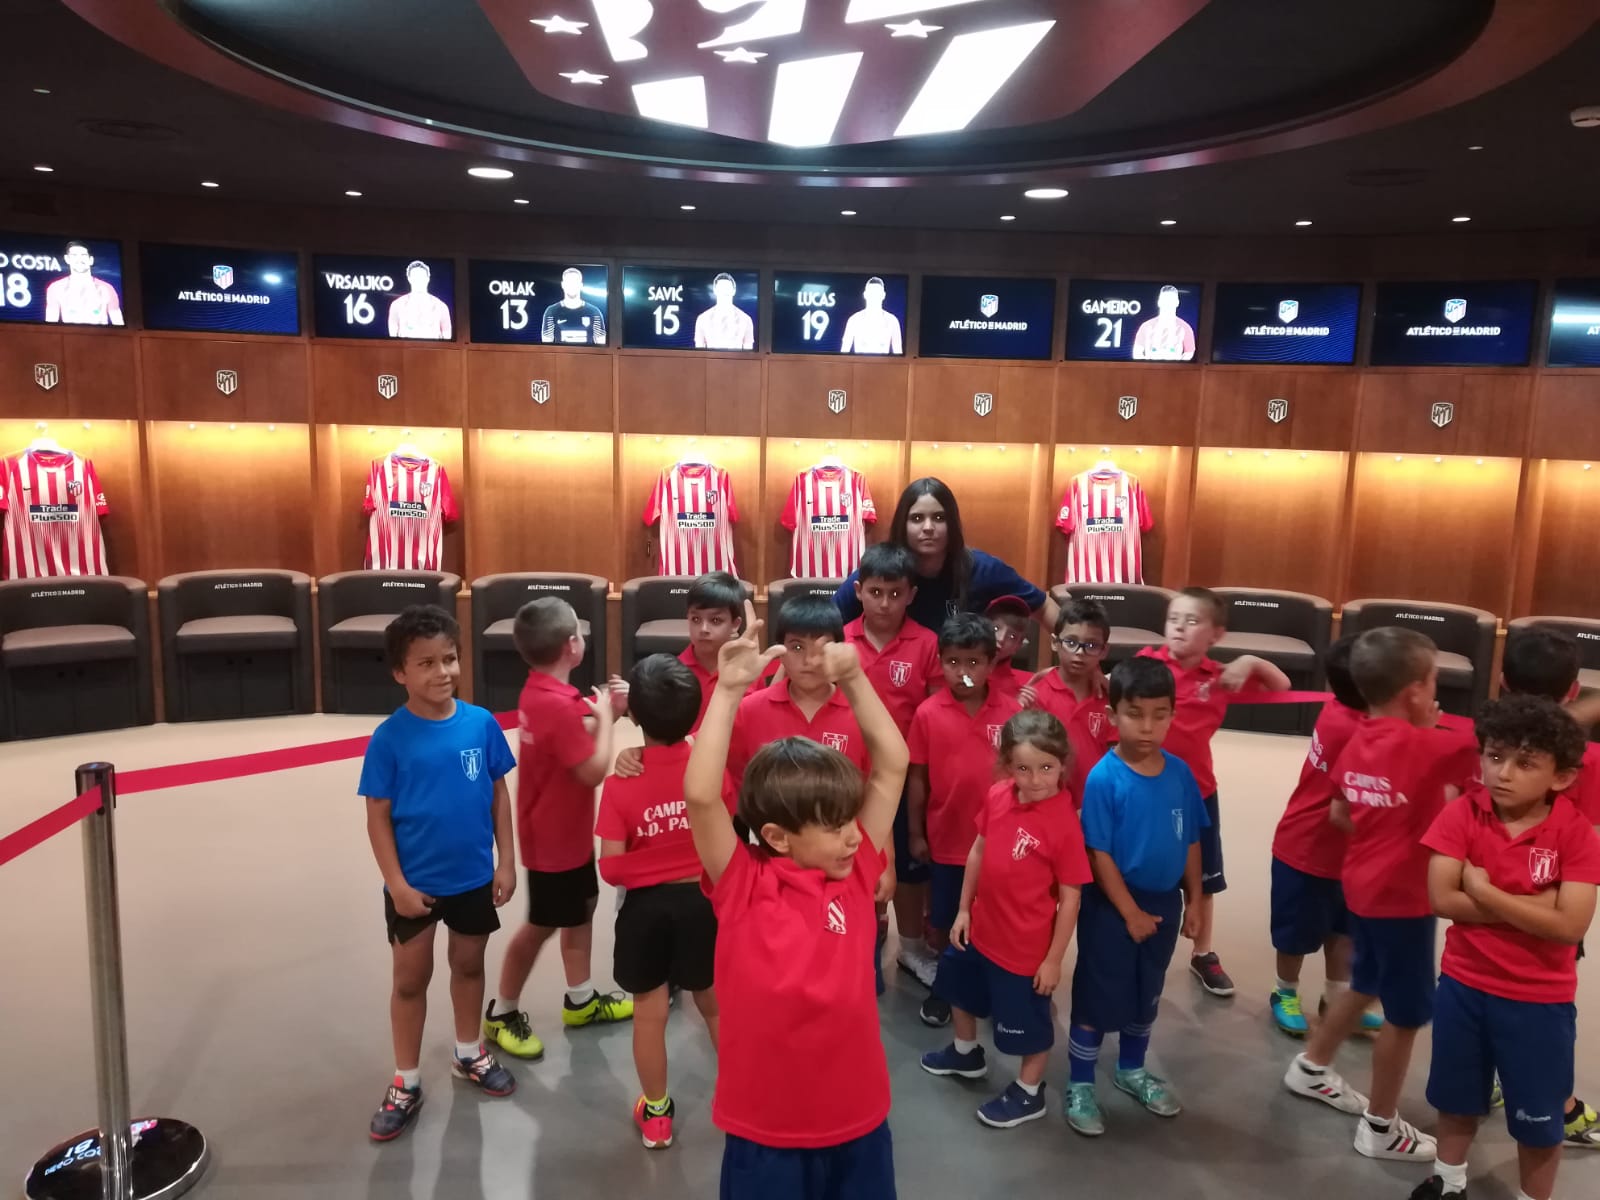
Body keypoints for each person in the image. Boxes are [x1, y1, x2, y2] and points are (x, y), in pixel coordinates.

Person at [684, 600, 908, 1198]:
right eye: (834, 826)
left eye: (852, 819)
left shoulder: (854, 872)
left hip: (857, 1119)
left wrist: (854, 677)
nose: (855, 835)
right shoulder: (742, 882)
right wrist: (728, 691)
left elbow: (892, 765)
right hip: (766, 1128)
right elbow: (702, 796)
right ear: (778, 836)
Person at [1283, 626, 1480, 1165]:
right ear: (1416, 691)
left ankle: (1311, 1065)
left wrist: (1388, 830)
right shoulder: (1430, 745)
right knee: (1407, 1013)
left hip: (1362, 886)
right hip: (1402, 901)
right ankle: (1381, 1126)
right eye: (1433, 679)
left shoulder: (1358, 737)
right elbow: (1519, 738)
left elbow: (1339, 812)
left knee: (1365, 981)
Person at [1413, 695, 1600, 1200]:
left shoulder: (1576, 834)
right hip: (1463, 987)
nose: (1504, 773)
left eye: (1526, 763)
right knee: (1456, 1099)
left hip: (1539, 1001)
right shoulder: (1461, 814)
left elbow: (1570, 926)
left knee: (1539, 1118)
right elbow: (1441, 898)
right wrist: (1536, 907)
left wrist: (1483, 890)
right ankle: (1448, 1182)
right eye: (1494, 756)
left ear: (1562, 777)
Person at [359, 604, 518, 1141]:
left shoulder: (481, 724)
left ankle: (469, 1052)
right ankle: (405, 1081)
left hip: (473, 877)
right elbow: (377, 815)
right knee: (410, 980)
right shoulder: (389, 739)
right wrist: (398, 885)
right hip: (415, 885)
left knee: (468, 966)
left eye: (449, 658)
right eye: (425, 663)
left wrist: (506, 860)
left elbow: (498, 794)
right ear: (399, 673)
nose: (442, 672)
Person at [920, 710, 1092, 1128]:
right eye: (1023, 769)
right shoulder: (998, 794)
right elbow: (978, 850)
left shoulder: (1065, 825)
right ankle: (966, 1053)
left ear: (1063, 765)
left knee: (1029, 1026)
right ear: (1007, 766)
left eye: (1046, 768)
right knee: (958, 989)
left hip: (1023, 950)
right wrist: (964, 909)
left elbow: (1071, 898)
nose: (1035, 780)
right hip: (980, 930)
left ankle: (1030, 1092)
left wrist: (1053, 960)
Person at [484, 598, 633, 1065]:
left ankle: (581, 999)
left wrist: (605, 713)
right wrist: (607, 720)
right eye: (581, 634)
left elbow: (570, 736)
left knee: (581, 910)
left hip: (565, 832)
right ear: (572, 646)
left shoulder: (541, 692)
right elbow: (592, 770)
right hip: (553, 842)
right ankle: (502, 1011)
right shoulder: (558, 706)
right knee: (541, 925)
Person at [1065, 656, 1205, 1137]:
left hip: (1165, 905)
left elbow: (1192, 839)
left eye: (1159, 715)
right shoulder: (1104, 778)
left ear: (1172, 715)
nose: (1147, 727)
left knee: (1148, 991)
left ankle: (1131, 1068)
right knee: (1097, 994)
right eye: (1134, 714)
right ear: (1112, 715)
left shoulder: (1181, 774)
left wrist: (1196, 901)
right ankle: (1080, 1082)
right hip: (1113, 908)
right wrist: (1130, 913)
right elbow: (1098, 853)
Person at [595, 655, 721, 1151]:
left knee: (649, 1010)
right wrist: (687, 861)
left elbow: (611, 869)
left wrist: (652, 865)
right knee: (715, 1003)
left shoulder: (621, 783)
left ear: (634, 715)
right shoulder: (711, 771)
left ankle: (657, 1114)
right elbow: (728, 840)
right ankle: (743, 1094)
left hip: (645, 911)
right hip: (705, 904)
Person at [1138, 587, 1289, 997]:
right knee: (1143, 867)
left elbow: (1282, 685)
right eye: (1173, 619)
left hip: (1197, 791)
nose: (1179, 628)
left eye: (1192, 621)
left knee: (1203, 878)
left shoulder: (1220, 676)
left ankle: (1203, 952)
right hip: (1145, 789)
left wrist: (1250, 660)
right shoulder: (1146, 664)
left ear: (1216, 634)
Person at [1496, 627, 1600, 1148]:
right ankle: (1562, 1105)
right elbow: (1590, 840)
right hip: (1550, 907)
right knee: (1547, 1014)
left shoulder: (1489, 749)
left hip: (1485, 902)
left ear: (1501, 681)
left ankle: (1492, 1076)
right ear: (1573, 689)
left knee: (1481, 991)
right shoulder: (1586, 761)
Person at [906, 612, 1022, 1027]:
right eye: (953, 661)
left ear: (991, 663)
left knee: (994, 918)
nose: (963, 671)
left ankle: (992, 986)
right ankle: (946, 987)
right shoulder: (927, 713)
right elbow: (917, 777)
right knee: (944, 920)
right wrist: (916, 832)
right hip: (946, 842)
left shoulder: (1012, 713)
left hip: (998, 844)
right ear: (940, 663)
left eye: (973, 662)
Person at [1267, 636, 1383, 1037]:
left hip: (1348, 855)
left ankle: (1337, 998)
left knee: (1344, 931)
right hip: (1307, 850)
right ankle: (1284, 991)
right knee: (1295, 936)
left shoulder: (1340, 707)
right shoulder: (1356, 731)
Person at [844, 542, 944, 988]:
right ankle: (867, 934)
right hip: (849, 776)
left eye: (895, 593)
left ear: (911, 595)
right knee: (858, 859)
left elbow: (940, 705)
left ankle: (911, 947)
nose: (885, 603)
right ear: (859, 591)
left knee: (905, 866)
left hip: (905, 777)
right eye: (876, 592)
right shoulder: (839, 641)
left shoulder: (927, 643)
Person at [833, 478, 1056, 634]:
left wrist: (1069, 662)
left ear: (952, 524)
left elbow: (1044, 606)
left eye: (939, 518)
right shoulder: (882, 572)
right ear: (903, 524)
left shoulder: (983, 569)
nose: (928, 527)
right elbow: (826, 624)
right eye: (917, 519)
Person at [726, 595, 871, 786]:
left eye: (821, 648)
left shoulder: (863, 715)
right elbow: (734, 780)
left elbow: (875, 782)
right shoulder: (748, 709)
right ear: (780, 651)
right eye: (797, 647)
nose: (809, 660)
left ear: (838, 648)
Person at [1018, 597, 1116, 804]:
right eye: (1071, 643)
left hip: (1099, 803)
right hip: (1051, 805)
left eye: (1091, 645)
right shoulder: (1037, 696)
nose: (1080, 653)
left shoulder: (1109, 697)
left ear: (1104, 651)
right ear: (1055, 643)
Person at [44, 240, 124, 325]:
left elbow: (118, 322)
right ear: (67, 259)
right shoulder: (55, 288)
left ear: (91, 260)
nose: (79, 259)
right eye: (74, 255)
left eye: (83, 255)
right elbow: (50, 323)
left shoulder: (107, 289)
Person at [984, 595, 1034, 699]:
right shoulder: (957, 670)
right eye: (996, 628)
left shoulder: (1026, 686)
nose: (1001, 638)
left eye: (1012, 636)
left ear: (1018, 646)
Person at [387, 260, 452, 339]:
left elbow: (447, 336)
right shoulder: (397, 305)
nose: (418, 280)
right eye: (415, 276)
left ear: (428, 278)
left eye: (421, 276)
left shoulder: (441, 307)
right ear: (409, 278)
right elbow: (392, 337)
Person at [541, 266, 607, 345]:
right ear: (563, 285)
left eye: (575, 282)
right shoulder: (551, 311)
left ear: (581, 285)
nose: (572, 285)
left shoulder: (594, 312)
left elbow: (602, 344)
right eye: (569, 282)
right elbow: (546, 345)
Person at [1129, 284, 1194, 361]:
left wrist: (1179, 365)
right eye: (1165, 300)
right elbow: (1137, 352)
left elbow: (1189, 352)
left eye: (1171, 300)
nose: (1168, 303)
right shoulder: (1146, 326)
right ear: (1159, 302)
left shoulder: (1185, 327)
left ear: (1177, 303)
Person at [840, 275, 903, 355]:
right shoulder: (854, 320)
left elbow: (898, 352)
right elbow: (844, 352)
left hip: (883, 363)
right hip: (859, 363)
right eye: (871, 293)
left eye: (877, 293)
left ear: (883, 295)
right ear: (865, 294)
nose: (874, 296)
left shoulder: (892, 321)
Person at [693, 271, 754, 350]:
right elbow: (699, 352)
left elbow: (749, 352)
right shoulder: (702, 319)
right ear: (715, 290)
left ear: (734, 291)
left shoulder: (746, 319)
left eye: (727, 288)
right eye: (721, 288)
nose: (724, 292)